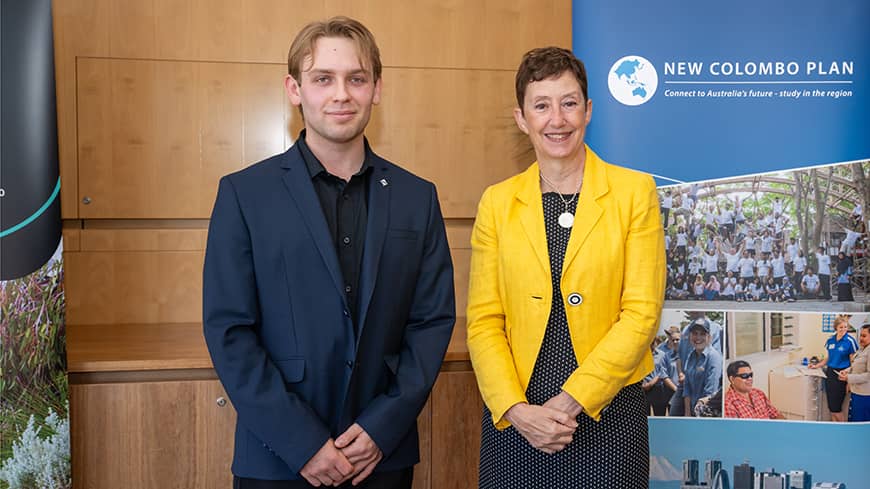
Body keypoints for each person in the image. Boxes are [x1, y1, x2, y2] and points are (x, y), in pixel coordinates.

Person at [202, 17, 455, 488]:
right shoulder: (244, 194)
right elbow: (230, 330)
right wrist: (302, 443)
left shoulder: (417, 197)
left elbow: (431, 322)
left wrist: (381, 428)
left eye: (356, 79)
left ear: (376, 89)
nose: (341, 94)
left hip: (381, 459)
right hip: (278, 459)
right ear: (294, 89)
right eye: (323, 79)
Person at [466, 47, 665, 488]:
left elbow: (641, 314)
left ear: (588, 110)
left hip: (607, 409)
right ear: (522, 118)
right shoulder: (497, 203)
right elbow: (483, 322)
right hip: (518, 417)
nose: (557, 119)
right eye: (542, 105)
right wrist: (518, 411)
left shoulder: (635, 193)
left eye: (569, 102)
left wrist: (573, 401)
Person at [809, 316, 859, 422]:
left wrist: (849, 381)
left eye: (845, 327)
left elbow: (854, 362)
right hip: (830, 374)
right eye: (841, 327)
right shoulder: (830, 340)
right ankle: (835, 428)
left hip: (841, 375)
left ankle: (842, 430)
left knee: (837, 408)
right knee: (831, 408)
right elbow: (828, 358)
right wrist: (816, 365)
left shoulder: (850, 341)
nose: (844, 329)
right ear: (836, 328)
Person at [682, 319, 723, 417]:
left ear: (709, 337)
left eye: (702, 334)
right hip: (693, 411)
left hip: (707, 413)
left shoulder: (714, 357)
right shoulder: (690, 356)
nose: (698, 337)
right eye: (695, 333)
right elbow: (687, 387)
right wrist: (687, 414)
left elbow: (710, 392)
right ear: (690, 337)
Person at [839, 323, 870, 422]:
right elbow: (856, 365)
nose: (861, 338)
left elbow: (868, 376)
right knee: (853, 421)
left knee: (859, 424)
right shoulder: (862, 349)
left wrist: (849, 378)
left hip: (864, 396)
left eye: (864, 336)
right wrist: (846, 371)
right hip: (856, 392)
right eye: (860, 335)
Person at [642, 337, 678, 416]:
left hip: (658, 389)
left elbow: (665, 372)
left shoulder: (662, 355)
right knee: (645, 416)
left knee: (659, 415)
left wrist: (652, 382)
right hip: (643, 388)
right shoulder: (640, 355)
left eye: (652, 342)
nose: (651, 345)